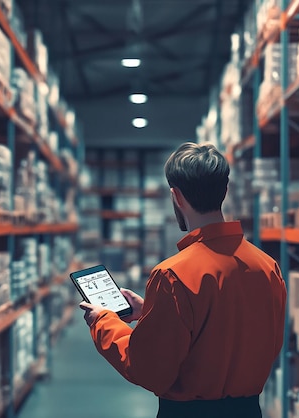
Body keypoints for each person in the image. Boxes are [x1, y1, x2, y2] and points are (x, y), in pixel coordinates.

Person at [80, 142, 287, 418]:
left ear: (176, 196)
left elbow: (149, 369)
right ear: (224, 191)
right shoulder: (267, 267)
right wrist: (150, 312)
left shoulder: (172, 276)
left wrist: (103, 321)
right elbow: (248, 335)